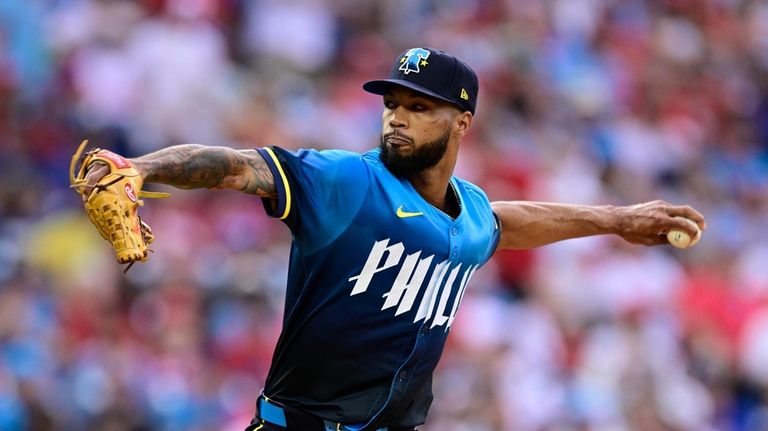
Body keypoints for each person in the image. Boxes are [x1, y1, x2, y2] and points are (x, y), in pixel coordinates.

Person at [82, 47, 706, 431]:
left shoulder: (467, 219)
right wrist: (143, 168)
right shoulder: (348, 181)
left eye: (419, 106)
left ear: (462, 121)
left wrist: (615, 220)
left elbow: (503, 222)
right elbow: (239, 165)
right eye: (392, 103)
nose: (397, 116)